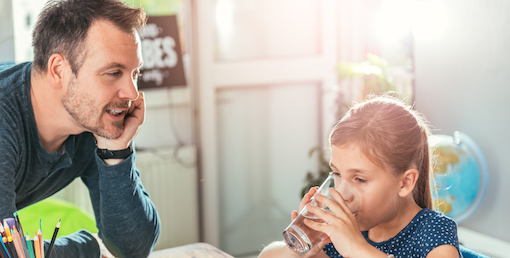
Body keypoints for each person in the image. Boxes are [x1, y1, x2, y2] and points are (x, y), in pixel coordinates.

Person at [0, 0, 160, 257]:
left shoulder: (91, 124)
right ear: (58, 70)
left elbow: (132, 248)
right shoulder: (4, 121)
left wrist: (115, 152)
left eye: (134, 73)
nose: (132, 92)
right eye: (113, 72)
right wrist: (88, 247)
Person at [259, 95, 460, 258]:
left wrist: (357, 249)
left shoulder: (433, 231)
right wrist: (297, 251)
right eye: (337, 173)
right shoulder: (339, 231)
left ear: (405, 182)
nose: (343, 194)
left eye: (360, 179)